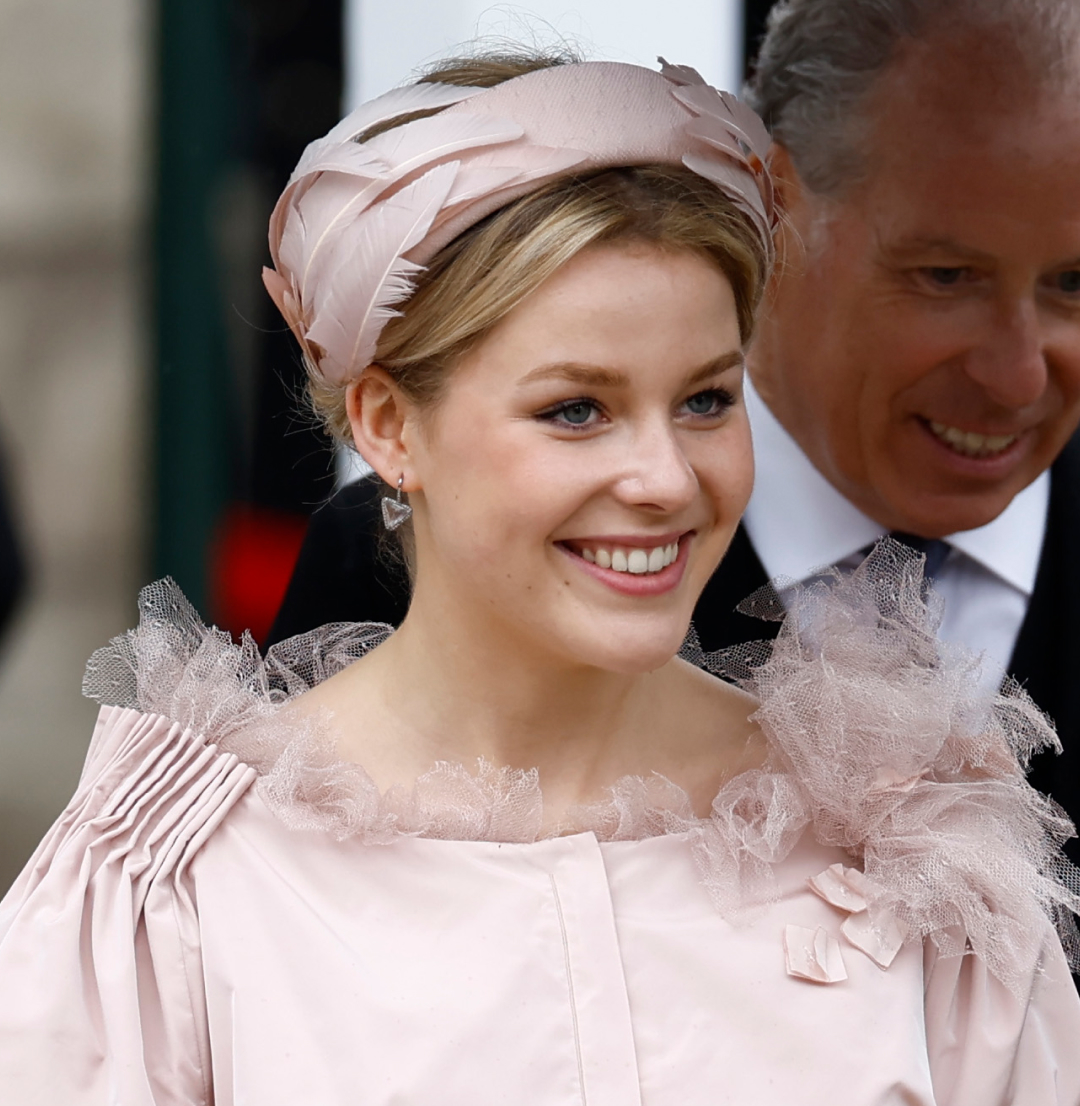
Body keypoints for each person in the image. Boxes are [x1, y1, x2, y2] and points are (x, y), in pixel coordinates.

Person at [2, 51, 1079, 1105]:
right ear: (387, 424)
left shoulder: (909, 847)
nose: (665, 478)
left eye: (706, 398)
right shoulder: (175, 893)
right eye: (576, 409)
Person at [267, 0, 1080, 856]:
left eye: (1072, 282)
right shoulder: (396, 566)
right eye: (945, 275)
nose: (1019, 374)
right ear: (786, 204)